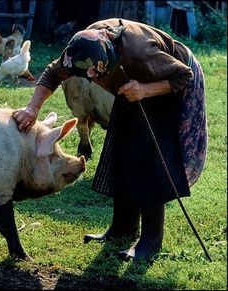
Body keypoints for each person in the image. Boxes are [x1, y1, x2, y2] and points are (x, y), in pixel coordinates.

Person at [12, 18, 207, 261]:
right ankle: (122, 227)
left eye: (97, 73)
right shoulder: (79, 50)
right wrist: (32, 109)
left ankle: (151, 241)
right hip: (132, 85)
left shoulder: (141, 53)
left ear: (110, 58)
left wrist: (145, 90)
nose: (92, 79)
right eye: (87, 76)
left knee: (148, 157)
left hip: (164, 81)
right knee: (122, 148)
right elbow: (53, 73)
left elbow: (183, 75)